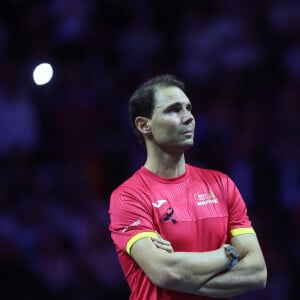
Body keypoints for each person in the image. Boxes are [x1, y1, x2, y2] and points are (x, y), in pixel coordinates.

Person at [109, 74, 267, 300]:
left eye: (188, 108)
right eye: (174, 110)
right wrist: (229, 254)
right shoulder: (128, 196)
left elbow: (258, 272)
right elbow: (165, 272)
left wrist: (180, 276)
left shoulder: (222, 185)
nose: (188, 118)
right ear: (144, 125)